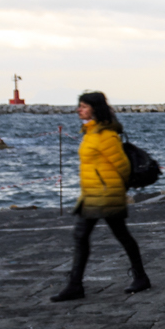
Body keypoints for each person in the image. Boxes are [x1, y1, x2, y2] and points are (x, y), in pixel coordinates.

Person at [52, 91, 150, 301]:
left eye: (84, 106)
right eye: (79, 106)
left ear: (95, 109)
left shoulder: (105, 135)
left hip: (104, 194)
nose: (79, 109)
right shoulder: (91, 132)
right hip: (93, 193)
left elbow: (122, 166)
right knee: (115, 235)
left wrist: (115, 189)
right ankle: (139, 277)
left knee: (86, 236)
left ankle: (75, 286)